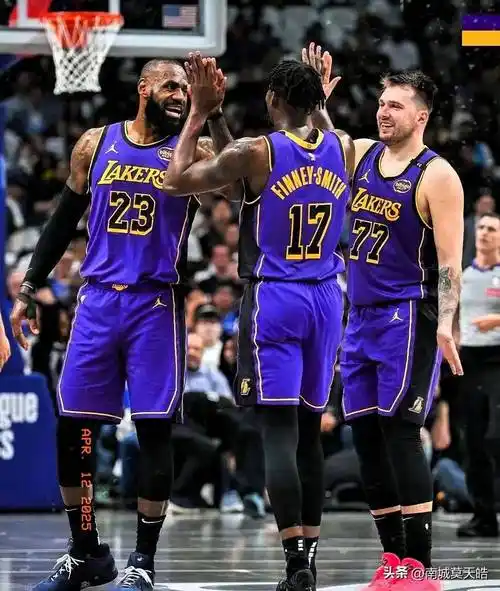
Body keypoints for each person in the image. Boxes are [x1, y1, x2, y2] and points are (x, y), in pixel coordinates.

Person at [10, 58, 235, 591]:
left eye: (185, 89)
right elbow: (63, 218)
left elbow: (238, 182)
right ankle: (86, 550)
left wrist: (214, 113)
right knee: (75, 429)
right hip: (96, 302)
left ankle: (143, 560)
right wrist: (29, 285)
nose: (179, 94)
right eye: (170, 86)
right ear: (143, 89)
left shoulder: (194, 148)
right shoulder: (95, 143)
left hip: (154, 304)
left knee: (154, 428)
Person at [164, 53, 354, 591]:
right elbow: (256, 173)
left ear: (272, 100)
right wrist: (314, 102)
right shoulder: (342, 145)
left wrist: (199, 113)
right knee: (309, 433)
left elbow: (177, 180)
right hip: (326, 299)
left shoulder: (257, 152)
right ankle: (310, 555)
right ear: (316, 101)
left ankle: (293, 562)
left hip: (276, 297)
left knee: (277, 431)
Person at [302, 43, 464, 590]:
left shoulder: (437, 175)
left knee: (400, 433)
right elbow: (327, 142)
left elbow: (449, 262)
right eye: (381, 103)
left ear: (421, 116)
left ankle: (420, 567)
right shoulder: (365, 154)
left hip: (408, 315)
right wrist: (318, 102)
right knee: (366, 435)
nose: (384, 112)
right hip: (361, 315)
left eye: (396, 105)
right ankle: (393, 560)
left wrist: (446, 323)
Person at [456, 212, 500, 538]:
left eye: (492, 229)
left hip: (497, 358)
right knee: (473, 441)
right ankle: (483, 516)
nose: (484, 232)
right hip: (470, 360)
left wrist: (495, 321)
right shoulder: (464, 275)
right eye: (481, 227)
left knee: (495, 437)